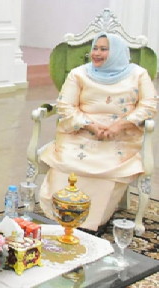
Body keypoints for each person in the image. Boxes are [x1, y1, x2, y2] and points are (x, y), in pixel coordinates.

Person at [38, 33, 158, 233]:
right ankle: (60, 214)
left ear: (117, 52)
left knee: (107, 165)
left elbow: (149, 105)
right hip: (80, 134)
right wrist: (90, 125)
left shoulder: (138, 74)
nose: (97, 53)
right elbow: (65, 106)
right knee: (69, 161)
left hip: (120, 137)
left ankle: (92, 221)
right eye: (95, 48)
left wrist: (120, 125)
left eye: (104, 49)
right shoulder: (79, 74)